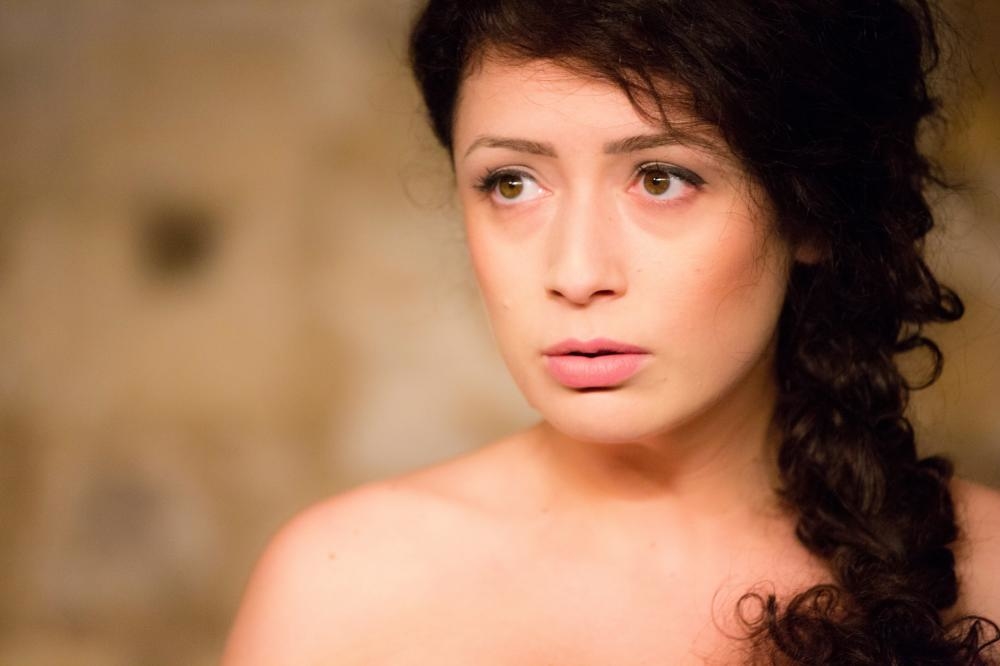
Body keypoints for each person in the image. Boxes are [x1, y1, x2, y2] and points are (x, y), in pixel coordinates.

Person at [221, 1, 1000, 663]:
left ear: (811, 209)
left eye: (661, 178)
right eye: (512, 183)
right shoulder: (344, 590)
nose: (576, 271)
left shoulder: (989, 569)